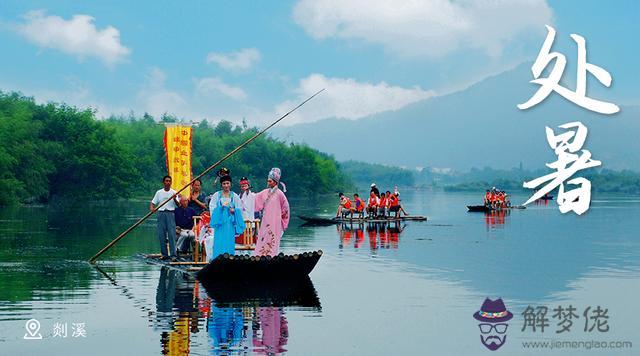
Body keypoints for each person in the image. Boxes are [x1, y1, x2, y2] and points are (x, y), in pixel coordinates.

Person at [253, 168, 290, 257]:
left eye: (270, 181)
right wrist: (247, 194)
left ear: (275, 182)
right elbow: (255, 198)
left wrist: (282, 222)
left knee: (272, 239)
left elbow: (286, 209)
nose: (268, 183)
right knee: (263, 237)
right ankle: (260, 256)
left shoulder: (280, 194)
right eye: (268, 181)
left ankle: (271, 256)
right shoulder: (265, 192)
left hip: (275, 222)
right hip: (266, 220)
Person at [208, 174, 245, 260]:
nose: (226, 185)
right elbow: (212, 207)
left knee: (229, 243)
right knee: (219, 242)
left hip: (229, 224)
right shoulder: (216, 195)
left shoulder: (234, 196)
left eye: (227, 183)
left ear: (230, 184)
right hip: (220, 223)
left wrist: (234, 211)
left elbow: (239, 208)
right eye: (224, 183)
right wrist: (220, 208)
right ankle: (217, 260)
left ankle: (229, 260)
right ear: (221, 185)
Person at [150, 175, 181, 261]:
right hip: (161, 213)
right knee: (161, 235)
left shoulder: (174, 192)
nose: (168, 182)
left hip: (170, 214)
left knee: (171, 235)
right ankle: (164, 254)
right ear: (163, 182)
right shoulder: (159, 192)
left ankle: (173, 255)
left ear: (171, 183)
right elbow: (153, 203)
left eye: (169, 181)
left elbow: (179, 205)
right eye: (166, 181)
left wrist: (175, 199)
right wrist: (152, 208)